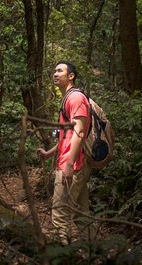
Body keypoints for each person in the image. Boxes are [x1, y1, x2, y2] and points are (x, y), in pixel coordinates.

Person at [37, 60, 91, 245]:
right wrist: (49, 154)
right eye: (54, 70)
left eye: (60, 70)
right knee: (82, 216)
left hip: (72, 166)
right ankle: (89, 253)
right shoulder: (67, 99)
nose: (55, 73)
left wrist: (68, 165)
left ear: (71, 76)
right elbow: (65, 138)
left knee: (60, 215)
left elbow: (80, 132)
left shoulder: (75, 98)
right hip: (75, 164)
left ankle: (64, 256)